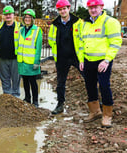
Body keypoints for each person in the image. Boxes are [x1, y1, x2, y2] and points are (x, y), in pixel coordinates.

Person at [78, 0, 122, 128]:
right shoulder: (84, 24)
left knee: (104, 85)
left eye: (95, 7)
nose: (93, 10)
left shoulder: (110, 22)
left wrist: (107, 60)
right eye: (90, 8)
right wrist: (81, 60)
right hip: (88, 60)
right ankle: (95, 111)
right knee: (90, 85)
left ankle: (107, 115)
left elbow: (115, 42)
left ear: (101, 7)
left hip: (103, 61)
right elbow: (81, 43)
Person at [48, 0, 83, 114]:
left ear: (69, 8)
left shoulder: (78, 22)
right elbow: (51, 40)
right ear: (58, 11)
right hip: (62, 57)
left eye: (64, 8)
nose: (62, 11)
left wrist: (83, 56)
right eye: (60, 9)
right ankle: (60, 104)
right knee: (60, 82)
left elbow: (84, 39)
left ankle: (97, 103)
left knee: (89, 78)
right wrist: (56, 54)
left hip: (76, 56)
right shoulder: (55, 24)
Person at [18, 9, 43, 108]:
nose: (27, 19)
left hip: (31, 61)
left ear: (32, 19)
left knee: (33, 82)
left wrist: (37, 61)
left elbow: (38, 47)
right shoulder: (21, 30)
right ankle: (27, 98)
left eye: (29, 17)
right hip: (22, 61)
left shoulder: (37, 30)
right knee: (25, 81)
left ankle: (35, 100)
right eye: (26, 17)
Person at [0, 6, 22, 98]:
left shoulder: (19, 27)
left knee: (16, 79)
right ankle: (6, 97)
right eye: (6, 14)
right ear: (3, 16)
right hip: (2, 58)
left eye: (9, 14)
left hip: (15, 58)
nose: (8, 16)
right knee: (5, 79)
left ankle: (15, 97)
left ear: (13, 15)